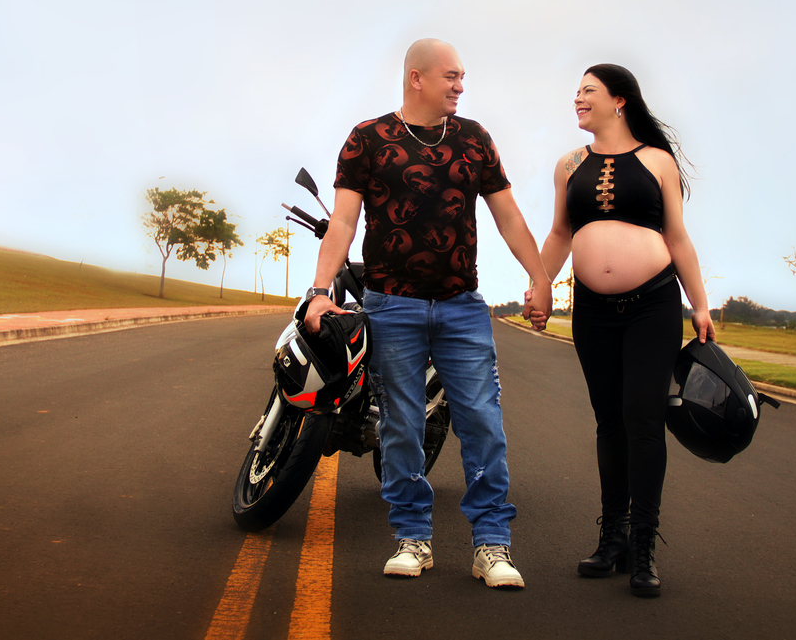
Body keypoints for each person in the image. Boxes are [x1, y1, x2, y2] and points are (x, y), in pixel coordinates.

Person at [304, 38, 552, 589]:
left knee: (483, 423)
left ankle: (492, 546)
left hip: (463, 308)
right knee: (401, 426)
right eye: (452, 76)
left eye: (463, 77)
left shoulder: (473, 139)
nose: (461, 86)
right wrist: (321, 290)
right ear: (417, 78)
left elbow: (508, 216)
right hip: (391, 306)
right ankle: (412, 537)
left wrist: (540, 276)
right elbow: (343, 223)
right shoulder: (367, 139)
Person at [533, 63, 714, 598]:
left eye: (588, 91)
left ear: (620, 101)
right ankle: (611, 537)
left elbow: (677, 237)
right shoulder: (568, 164)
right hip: (591, 309)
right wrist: (539, 285)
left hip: (653, 305)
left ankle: (643, 544)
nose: (578, 100)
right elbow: (561, 231)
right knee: (608, 420)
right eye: (576, 92)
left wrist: (700, 305)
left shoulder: (658, 161)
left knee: (642, 419)